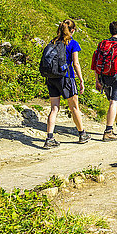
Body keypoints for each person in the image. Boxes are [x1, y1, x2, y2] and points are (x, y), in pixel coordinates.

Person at [44, 19, 90, 149]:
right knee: (74, 107)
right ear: (72, 30)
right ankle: (82, 134)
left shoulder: (53, 42)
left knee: (54, 108)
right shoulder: (73, 43)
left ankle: (49, 138)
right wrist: (81, 79)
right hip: (67, 78)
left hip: (52, 78)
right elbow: (75, 63)